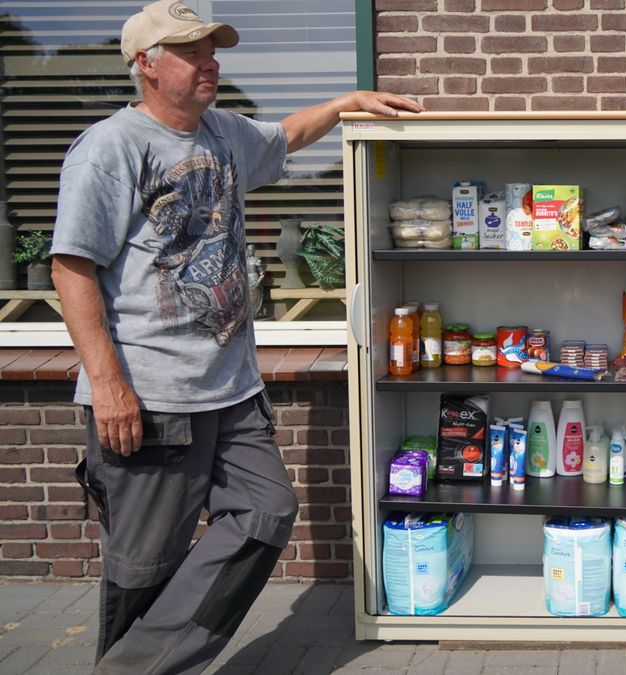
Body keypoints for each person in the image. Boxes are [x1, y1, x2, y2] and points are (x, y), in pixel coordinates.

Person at [49, 2, 423, 672]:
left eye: (211, 49)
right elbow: (71, 265)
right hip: (150, 394)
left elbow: (284, 137)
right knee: (144, 567)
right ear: (145, 64)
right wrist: (107, 385)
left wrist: (347, 102)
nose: (209, 62)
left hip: (231, 392)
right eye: (190, 52)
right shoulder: (111, 147)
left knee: (266, 510)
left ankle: (135, 667)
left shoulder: (221, 132)